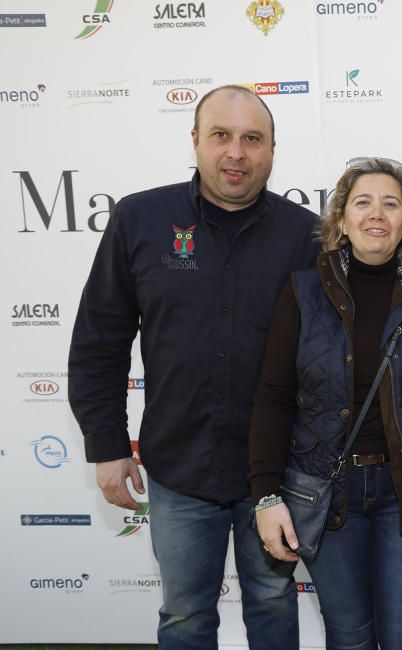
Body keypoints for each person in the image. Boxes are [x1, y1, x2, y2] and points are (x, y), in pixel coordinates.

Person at [68, 84, 317, 650]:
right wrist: (107, 445)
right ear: (196, 142)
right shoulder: (140, 219)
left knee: (275, 604)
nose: (236, 153)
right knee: (185, 616)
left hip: (274, 475)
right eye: (221, 136)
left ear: (273, 149)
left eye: (252, 139)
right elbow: (99, 341)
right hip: (179, 468)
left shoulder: (306, 235)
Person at [248, 157, 402, 650]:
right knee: (348, 636)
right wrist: (266, 495)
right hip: (328, 491)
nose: (377, 214)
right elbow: (273, 397)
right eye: (363, 202)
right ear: (341, 219)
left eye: (390, 204)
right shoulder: (303, 291)